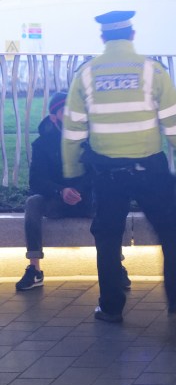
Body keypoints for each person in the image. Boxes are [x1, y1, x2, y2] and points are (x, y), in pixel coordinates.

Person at [61, 11, 176, 323]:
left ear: (103, 38)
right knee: (169, 234)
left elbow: (72, 132)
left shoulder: (86, 74)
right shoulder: (152, 70)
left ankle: (110, 307)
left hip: (107, 175)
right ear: (132, 35)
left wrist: (72, 174)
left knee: (107, 238)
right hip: (150, 170)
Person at [17, 93, 129, 291]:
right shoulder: (42, 144)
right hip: (56, 200)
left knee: (112, 201)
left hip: (87, 199)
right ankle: (34, 269)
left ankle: (116, 267)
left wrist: (78, 190)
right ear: (54, 117)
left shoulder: (91, 139)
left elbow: (98, 172)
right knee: (33, 202)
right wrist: (61, 191)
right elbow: (36, 180)